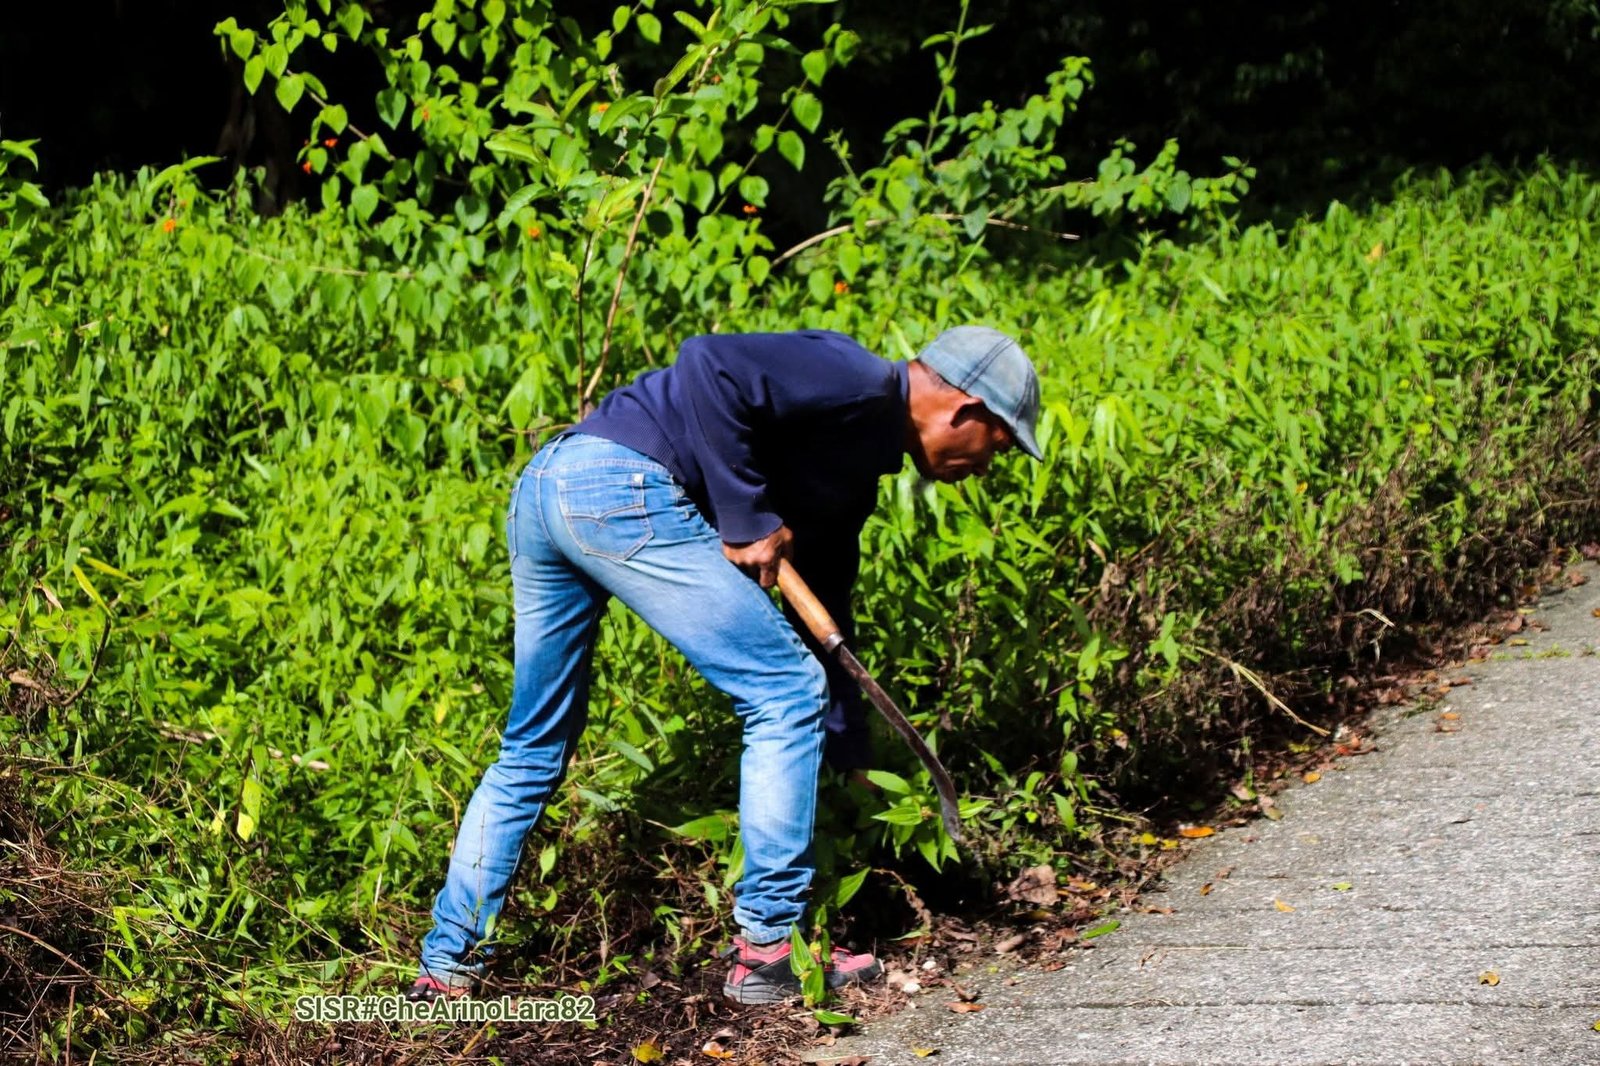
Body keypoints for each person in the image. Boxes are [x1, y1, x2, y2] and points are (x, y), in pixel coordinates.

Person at [408, 325, 1042, 1005]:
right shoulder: (857, 377)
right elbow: (709, 362)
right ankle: (767, 951)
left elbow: (824, 615)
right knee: (781, 691)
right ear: (965, 410)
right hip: (616, 481)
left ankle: (446, 970)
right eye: (997, 447)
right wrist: (744, 514)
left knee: (534, 746)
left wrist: (851, 745)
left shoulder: (854, 464)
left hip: (551, 487)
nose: (985, 467)